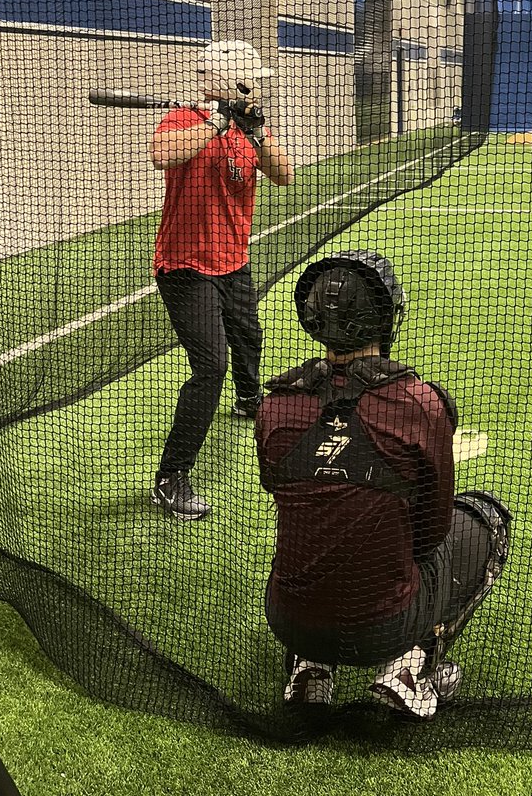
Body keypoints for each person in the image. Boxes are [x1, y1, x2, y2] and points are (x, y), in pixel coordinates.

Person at [255, 251, 511, 719]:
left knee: (313, 523)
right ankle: (413, 665)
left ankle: (309, 666)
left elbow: (280, 488)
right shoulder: (420, 404)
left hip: (286, 618)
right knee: (487, 519)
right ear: (386, 318)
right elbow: (432, 531)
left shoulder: (276, 406)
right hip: (384, 626)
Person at [150, 39, 292, 521]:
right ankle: (171, 478)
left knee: (249, 335)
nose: (256, 90)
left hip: (234, 260)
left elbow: (285, 175)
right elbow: (161, 155)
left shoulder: (249, 131)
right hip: (186, 266)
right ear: (226, 83)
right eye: (248, 82)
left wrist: (256, 131)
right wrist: (216, 122)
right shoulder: (184, 121)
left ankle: (250, 400)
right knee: (211, 367)